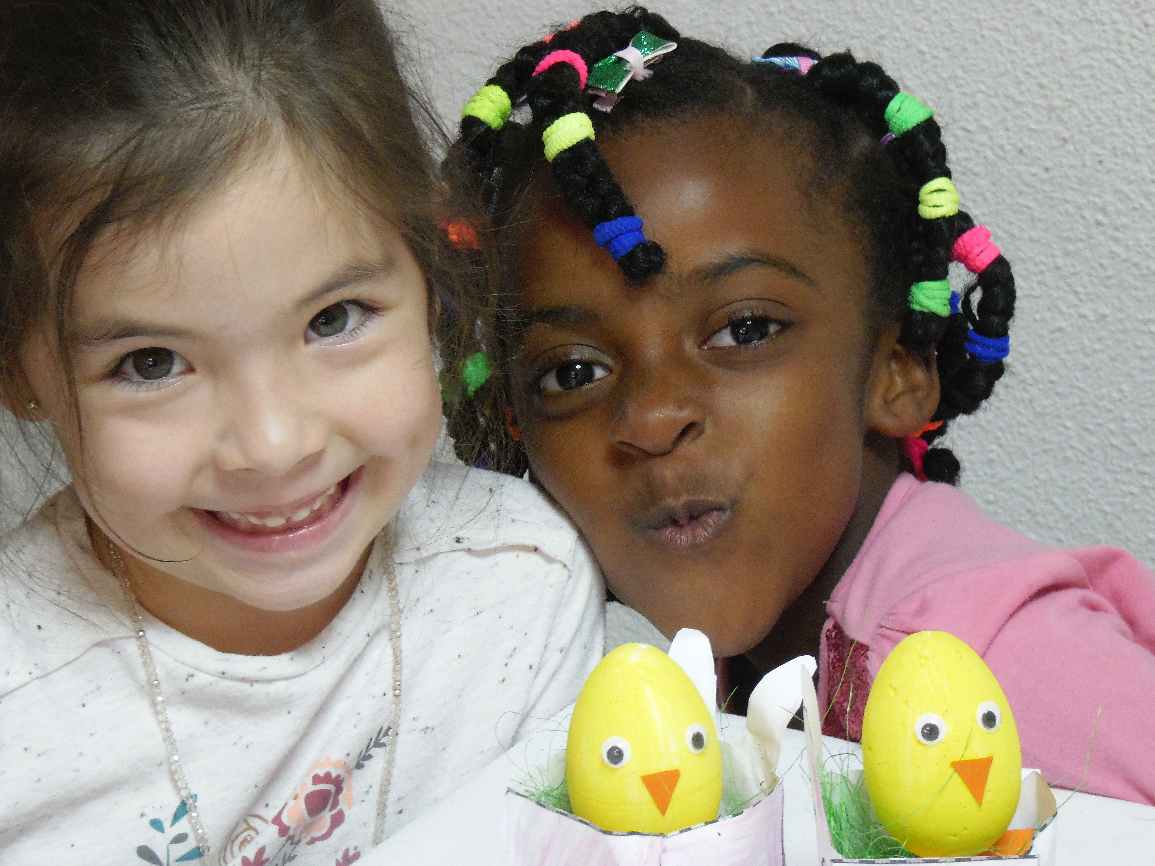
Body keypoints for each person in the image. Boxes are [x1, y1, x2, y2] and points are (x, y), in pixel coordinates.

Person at [442, 7, 1155, 803]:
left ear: (896, 368)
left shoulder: (983, 668)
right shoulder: (761, 661)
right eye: (573, 372)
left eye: (744, 330)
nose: (650, 419)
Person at [0, 2, 602, 862]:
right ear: (18, 371)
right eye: (151, 363)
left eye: (334, 318)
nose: (274, 445)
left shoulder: (520, 588)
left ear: (431, 273)